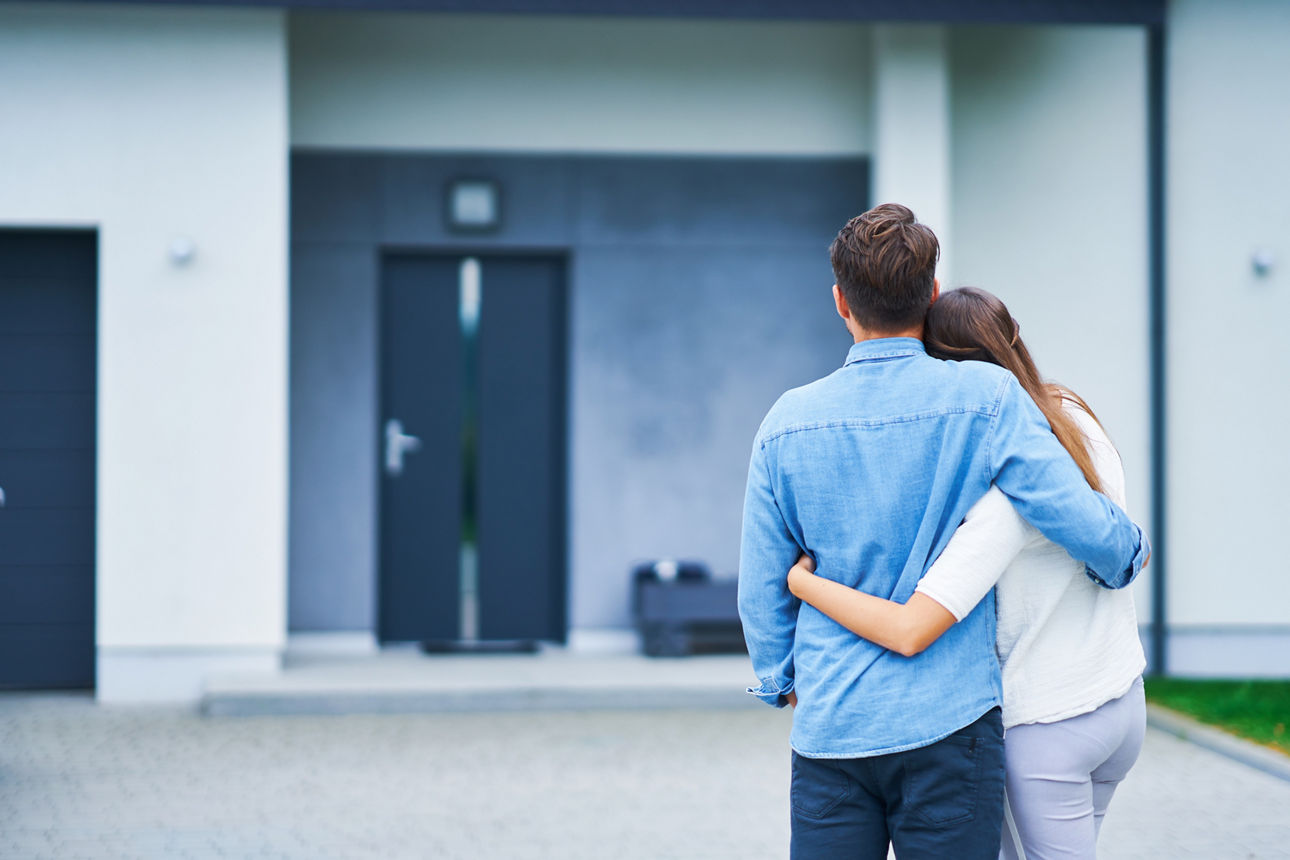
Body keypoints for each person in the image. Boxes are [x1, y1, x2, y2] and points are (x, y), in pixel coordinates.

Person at [737, 204, 1149, 859]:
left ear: (841, 301)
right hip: (951, 725)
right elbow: (1069, 510)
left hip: (834, 728)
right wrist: (1127, 555)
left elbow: (762, 580)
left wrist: (780, 678)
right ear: (930, 296)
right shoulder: (988, 399)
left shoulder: (787, 422)